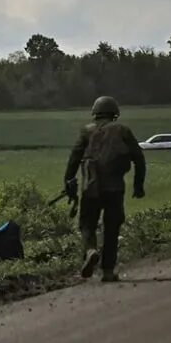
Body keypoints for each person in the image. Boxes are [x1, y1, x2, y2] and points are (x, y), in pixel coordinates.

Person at [63, 95, 146, 282]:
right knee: (112, 228)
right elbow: (139, 158)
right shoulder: (123, 131)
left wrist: (69, 183)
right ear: (115, 113)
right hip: (115, 188)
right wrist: (138, 185)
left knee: (87, 224)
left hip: (90, 187)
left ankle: (90, 250)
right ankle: (108, 270)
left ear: (95, 113)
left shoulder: (86, 132)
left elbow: (74, 159)